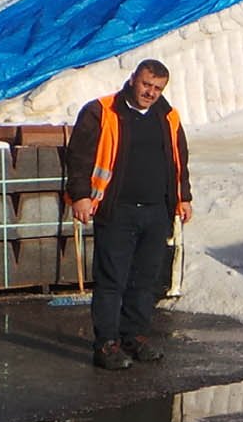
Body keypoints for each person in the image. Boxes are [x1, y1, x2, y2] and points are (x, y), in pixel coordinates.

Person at [66, 59, 193, 370]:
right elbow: (79, 157)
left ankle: (134, 336)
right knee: (112, 280)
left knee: (145, 279)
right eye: (146, 84)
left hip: (157, 211)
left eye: (157, 88)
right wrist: (81, 196)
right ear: (134, 79)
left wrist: (184, 198)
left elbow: (179, 160)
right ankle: (106, 344)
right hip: (117, 210)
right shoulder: (101, 111)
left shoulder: (168, 116)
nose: (150, 92)